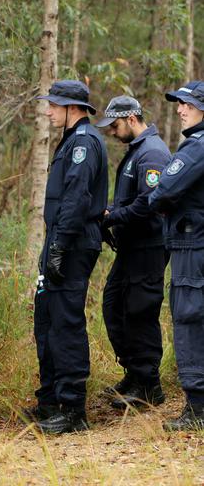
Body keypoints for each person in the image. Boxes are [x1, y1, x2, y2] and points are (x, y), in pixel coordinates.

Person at [27, 80, 108, 433]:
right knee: (46, 321)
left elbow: (76, 198)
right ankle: (51, 401)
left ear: (72, 108)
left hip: (72, 243)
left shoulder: (84, 144)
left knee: (66, 323)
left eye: (54, 105)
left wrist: (59, 247)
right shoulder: (71, 141)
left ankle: (74, 410)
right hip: (60, 241)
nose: (48, 110)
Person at [95, 96, 171, 410]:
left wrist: (113, 217)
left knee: (140, 313)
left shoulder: (152, 152)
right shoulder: (136, 151)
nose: (112, 132)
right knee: (115, 307)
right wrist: (111, 212)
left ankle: (149, 386)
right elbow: (132, 200)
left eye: (114, 125)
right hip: (130, 248)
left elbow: (149, 203)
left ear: (130, 118)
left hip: (148, 247)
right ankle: (134, 374)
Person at [149, 81, 204, 431]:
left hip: (192, 247)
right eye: (179, 104)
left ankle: (197, 408)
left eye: (187, 104)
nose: (180, 110)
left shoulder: (196, 148)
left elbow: (161, 192)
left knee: (189, 319)